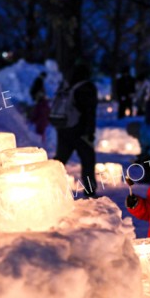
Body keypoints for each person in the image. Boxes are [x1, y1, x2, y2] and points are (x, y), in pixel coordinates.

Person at [54, 63, 98, 198]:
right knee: (88, 161)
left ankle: (49, 187)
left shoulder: (67, 86)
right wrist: (89, 133)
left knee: (59, 161)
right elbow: (89, 112)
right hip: (80, 132)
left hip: (64, 129)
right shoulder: (87, 88)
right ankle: (90, 192)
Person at [29, 71, 50, 144]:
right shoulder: (39, 81)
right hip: (42, 120)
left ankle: (40, 143)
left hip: (41, 120)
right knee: (40, 131)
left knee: (40, 131)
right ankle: (40, 143)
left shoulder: (40, 104)